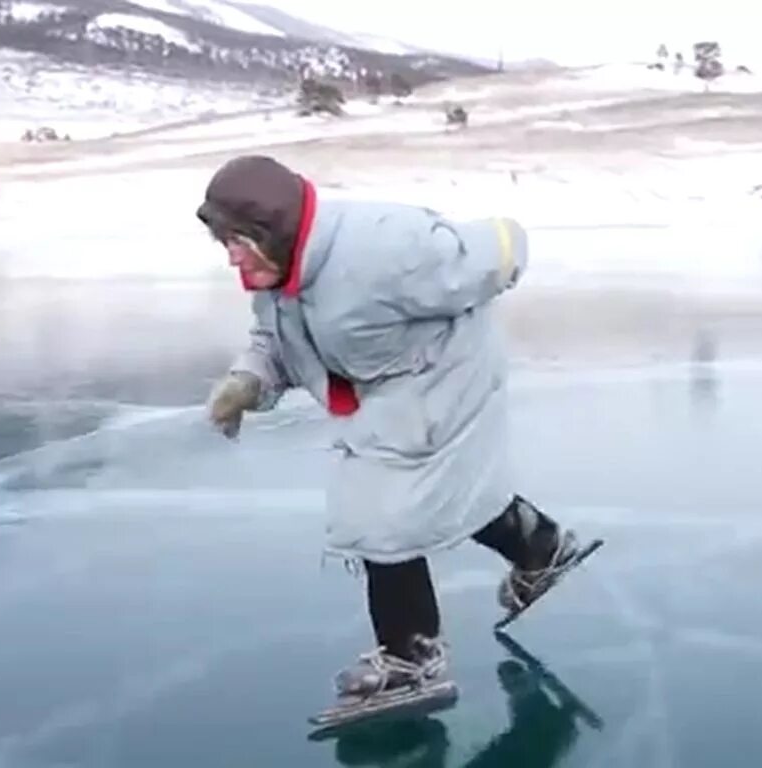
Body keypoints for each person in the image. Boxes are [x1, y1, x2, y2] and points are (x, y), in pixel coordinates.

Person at [196, 154, 594, 705]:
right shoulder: (279, 275)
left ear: (273, 229)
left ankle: (412, 660)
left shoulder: (386, 247)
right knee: (442, 498)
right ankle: (543, 547)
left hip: (445, 376)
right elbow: (279, 341)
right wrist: (247, 380)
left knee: (380, 518)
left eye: (238, 240)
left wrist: (504, 246)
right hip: (382, 388)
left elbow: (497, 250)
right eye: (225, 243)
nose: (231, 255)